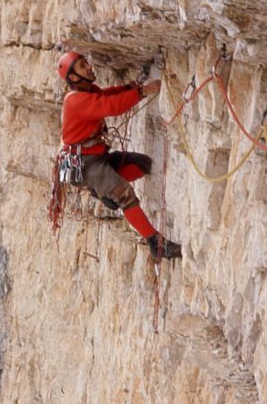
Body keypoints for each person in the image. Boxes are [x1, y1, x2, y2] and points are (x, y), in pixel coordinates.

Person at [57, 50, 182, 260]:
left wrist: (130, 88)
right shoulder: (76, 101)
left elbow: (107, 95)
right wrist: (142, 92)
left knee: (141, 164)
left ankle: (104, 191)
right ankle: (157, 244)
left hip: (96, 158)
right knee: (124, 194)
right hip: (86, 164)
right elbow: (110, 106)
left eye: (85, 62)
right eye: (82, 66)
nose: (88, 66)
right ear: (73, 78)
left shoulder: (88, 92)